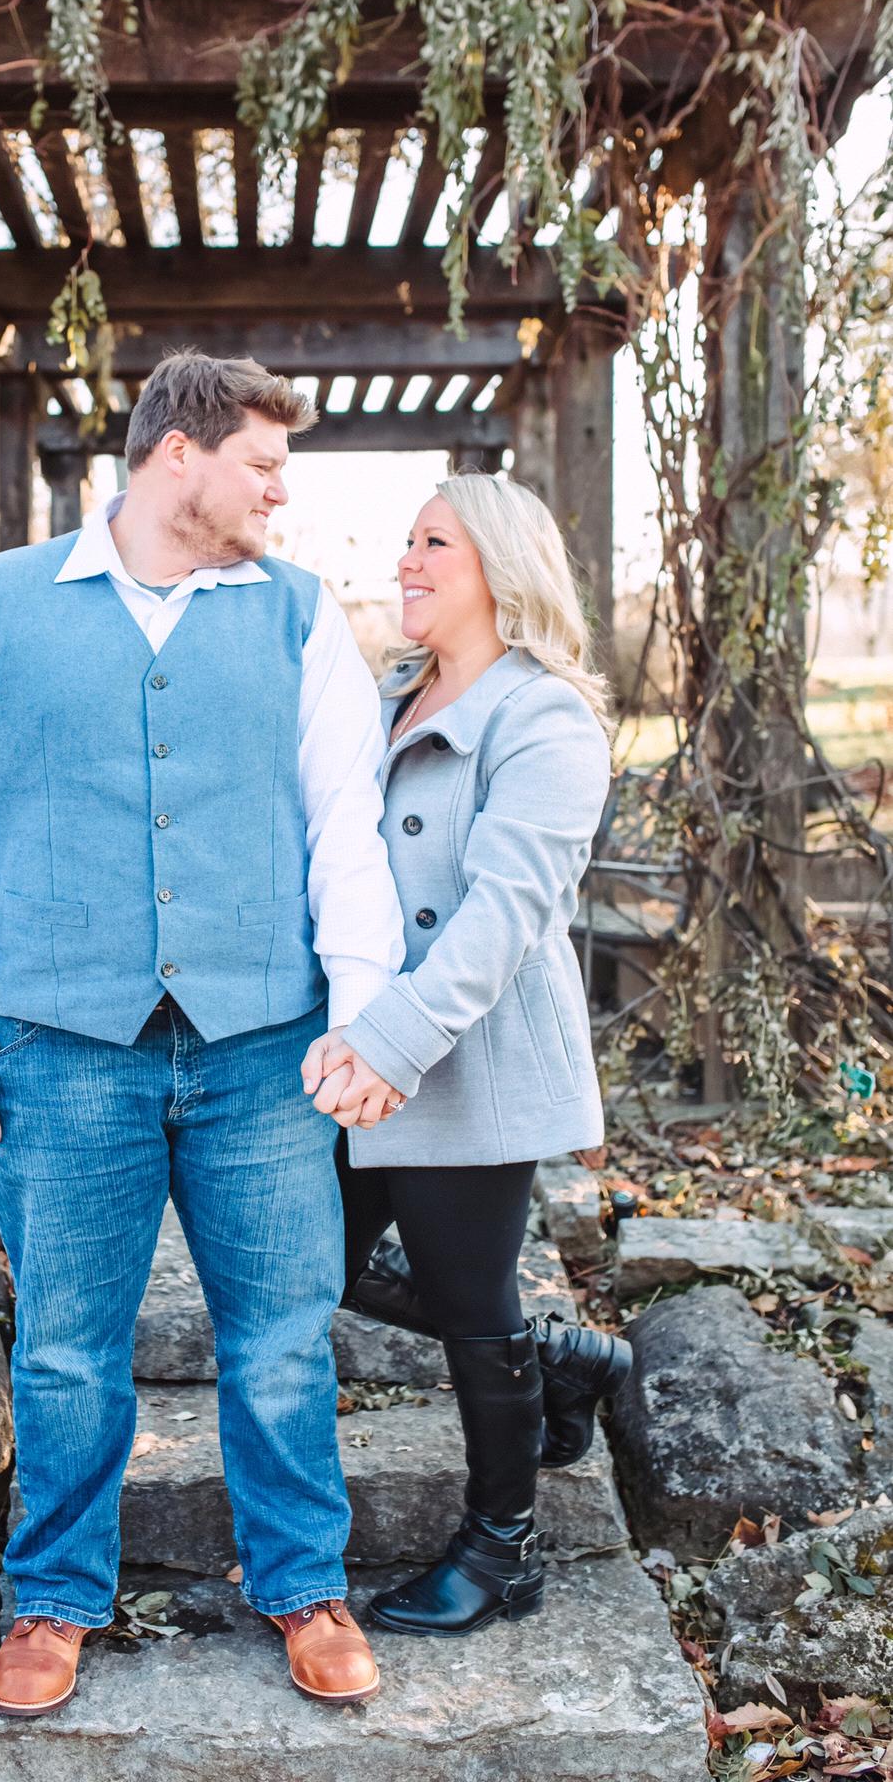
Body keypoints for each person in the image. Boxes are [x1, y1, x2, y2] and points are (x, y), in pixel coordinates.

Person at [0, 350, 407, 1719]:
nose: (278, 494)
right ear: (180, 454)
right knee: (66, 1344)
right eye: (262, 466)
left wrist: (364, 1018)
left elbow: (345, 829)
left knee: (282, 1338)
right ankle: (52, 1600)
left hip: (262, 1044)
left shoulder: (299, 617)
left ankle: (303, 1582)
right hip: (57, 1046)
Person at [308, 469, 631, 1638]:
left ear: (499, 564)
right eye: (406, 539)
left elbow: (500, 918)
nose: (405, 559)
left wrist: (390, 1043)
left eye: (432, 541)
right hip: (361, 1050)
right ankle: (555, 1356)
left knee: (468, 1299)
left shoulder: (544, 717)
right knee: (311, 1261)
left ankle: (503, 1549)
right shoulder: (390, 694)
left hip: (465, 1058)